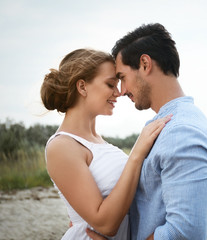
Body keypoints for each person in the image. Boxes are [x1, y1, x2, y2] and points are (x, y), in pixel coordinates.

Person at [87, 23, 207, 240]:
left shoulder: (182, 133)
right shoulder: (172, 124)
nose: (121, 91)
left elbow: (186, 233)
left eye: (122, 77)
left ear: (144, 64)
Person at [41, 48, 171, 239]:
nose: (118, 93)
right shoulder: (61, 146)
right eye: (111, 84)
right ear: (82, 87)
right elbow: (105, 224)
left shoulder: (100, 142)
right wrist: (137, 153)